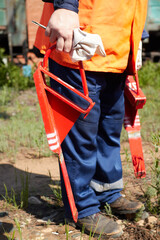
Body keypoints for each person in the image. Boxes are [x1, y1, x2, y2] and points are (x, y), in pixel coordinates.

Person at [34, 0, 148, 238]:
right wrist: (65, 6)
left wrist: (138, 33)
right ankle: (82, 206)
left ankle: (106, 191)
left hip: (117, 45)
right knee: (80, 133)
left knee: (109, 127)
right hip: (80, 40)